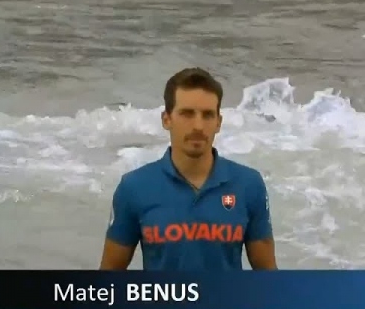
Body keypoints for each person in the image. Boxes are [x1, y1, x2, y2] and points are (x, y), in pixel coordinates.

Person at [99, 68, 278, 270]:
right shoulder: (134, 187)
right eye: (187, 114)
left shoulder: (248, 185)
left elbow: (268, 278)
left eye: (208, 115)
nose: (198, 126)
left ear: (218, 122)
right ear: (166, 119)